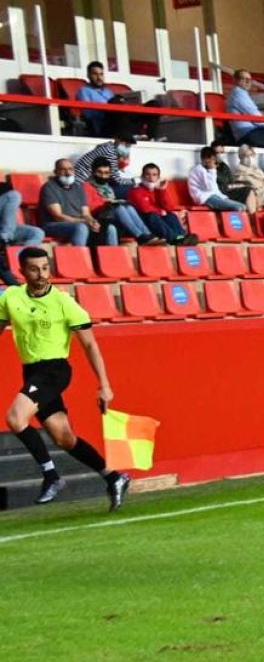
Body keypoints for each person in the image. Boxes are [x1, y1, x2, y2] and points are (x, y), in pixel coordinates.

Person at [0, 247, 131, 509]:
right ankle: (114, 477)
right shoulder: (11, 297)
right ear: (22, 271)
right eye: (35, 269)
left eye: (45, 268)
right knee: (64, 438)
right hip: (32, 371)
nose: (41, 274)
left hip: (55, 370)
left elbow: (90, 345)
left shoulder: (63, 302)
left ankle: (51, 476)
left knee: (15, 418)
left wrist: (104, 385)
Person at [85, 158, 164, 245]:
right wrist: (106, 202)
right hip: (98, 215)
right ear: (93, 172)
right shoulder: (87, 185)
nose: (103, 176)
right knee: (120, 208)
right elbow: (88, 206)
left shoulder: (107, 185)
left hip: (109, 212)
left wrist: (115, 201)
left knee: (129, 207)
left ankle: (148, 235)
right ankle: (140, 236)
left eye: (106, 173)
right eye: (99, 172)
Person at [39, 159, 116, 246]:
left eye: (70, 169)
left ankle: (113, 258)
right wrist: (84, 222)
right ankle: (79, 258)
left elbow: (86, 214)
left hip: (79, 222)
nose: (67, 173)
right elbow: (58, 216)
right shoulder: (49, 187)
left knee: (109, 228)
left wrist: (92, 222)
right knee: (81, 228)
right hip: (53, 225)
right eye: (63, 170)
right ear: (56, 172)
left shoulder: (78, 188)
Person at [75, 61, 160, 139]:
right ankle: (129, 135)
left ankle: (151, 137)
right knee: (115, 102)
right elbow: (89, 114)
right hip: (105, 124)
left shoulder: (108, 91)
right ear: (88, 75)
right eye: (95, 74)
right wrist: (107, 108)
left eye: (101, 74)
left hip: (122, 119)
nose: (99, 77)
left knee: (154, 104)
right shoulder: (84, 91)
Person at [127, 163, 197, 245]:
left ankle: (181, 237)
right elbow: (145, 209)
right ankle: (175, 239)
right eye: (147, 174)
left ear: (158, 177)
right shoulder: (136, 190)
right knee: (152, 215)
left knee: (171, 215)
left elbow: (169, 208)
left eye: (154, 175)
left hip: (159, 222)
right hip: (145, 222)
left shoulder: (158, 190)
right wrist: (160, 211)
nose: (151, 178)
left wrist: (162, 191)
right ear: (142, 176)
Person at [188, 147, 248, 211]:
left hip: (214, 196)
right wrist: (212, 170)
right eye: (211, 159)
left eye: (214, 159)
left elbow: (214, 189)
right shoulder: (199, 169)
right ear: (204, 159)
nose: (213, 162)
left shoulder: (207, 169)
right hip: (205, 198)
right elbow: (210, 187)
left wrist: (224, 198)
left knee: (243, 207)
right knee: (239, 207)